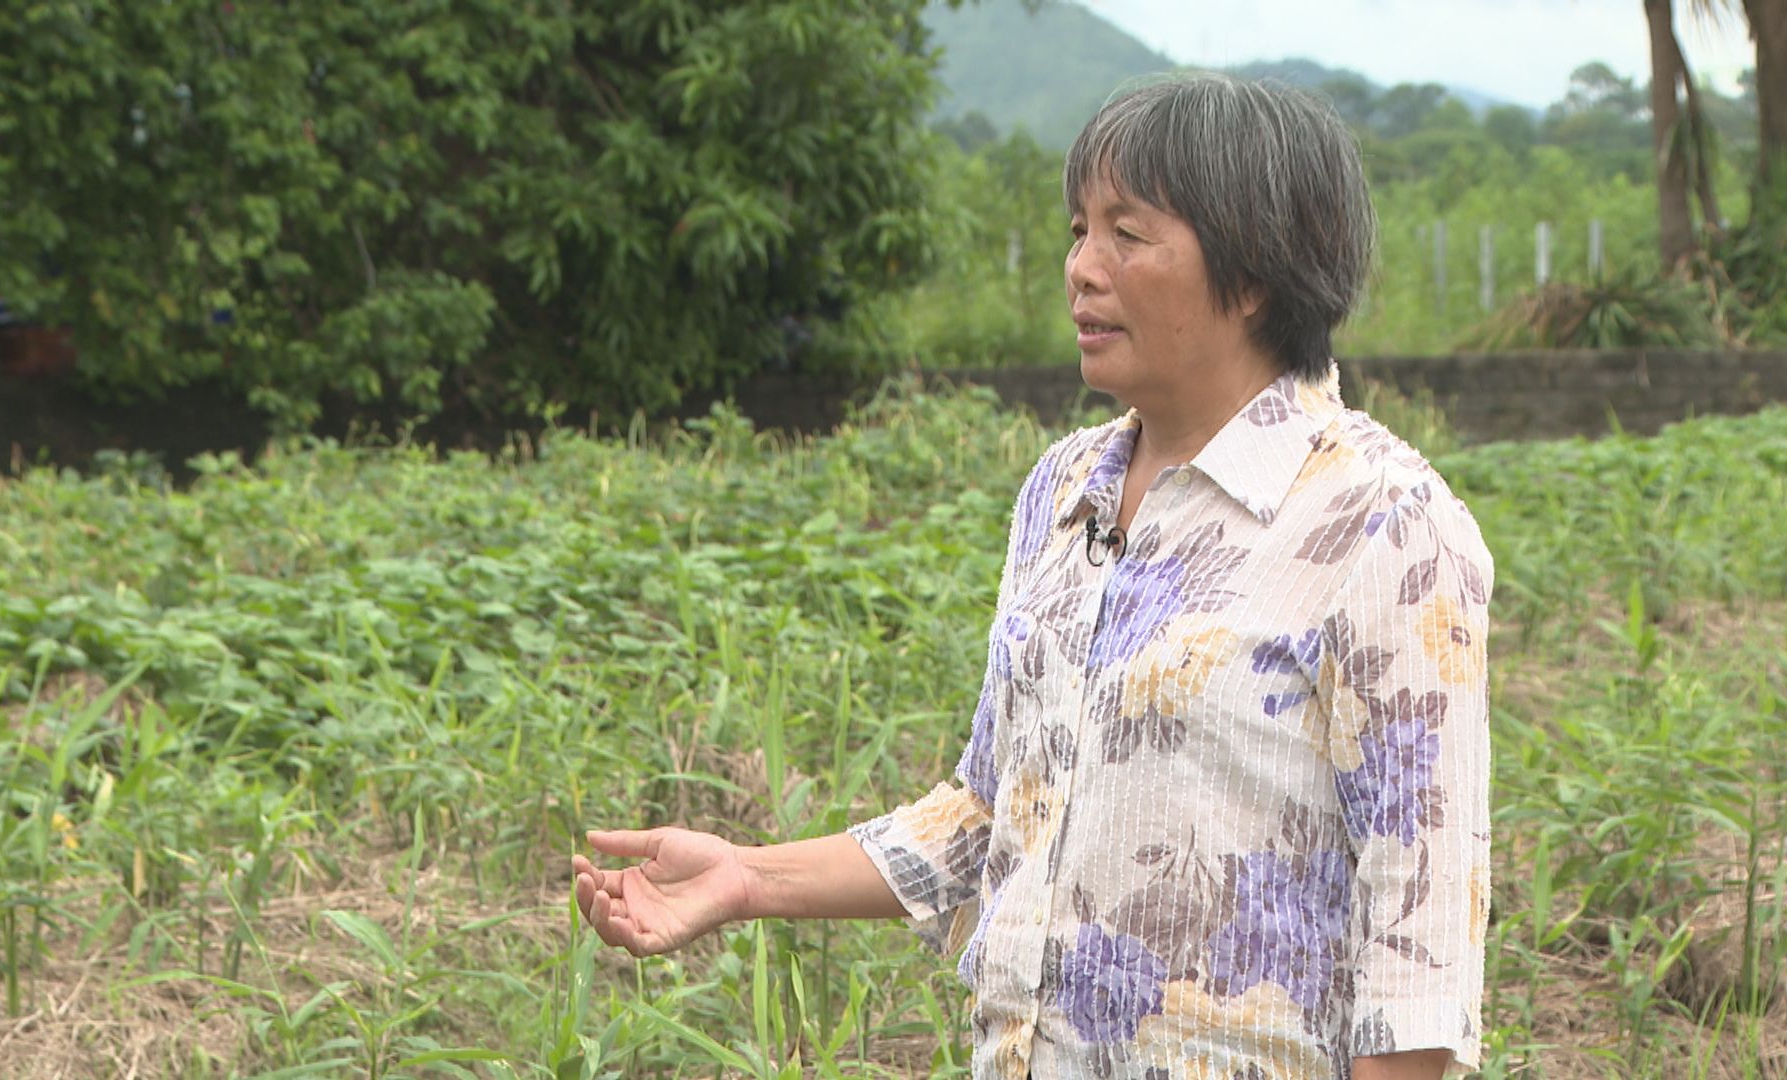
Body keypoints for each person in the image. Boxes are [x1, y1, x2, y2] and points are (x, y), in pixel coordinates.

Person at [572, 73, 1491, 1080]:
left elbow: (1421, 949)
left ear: (1255, 270)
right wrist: (745, 876)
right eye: (1077, 231)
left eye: (1126, 236)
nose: (1081, 270)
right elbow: (989, 807)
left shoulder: (1384, 525)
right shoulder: (1066, 491)